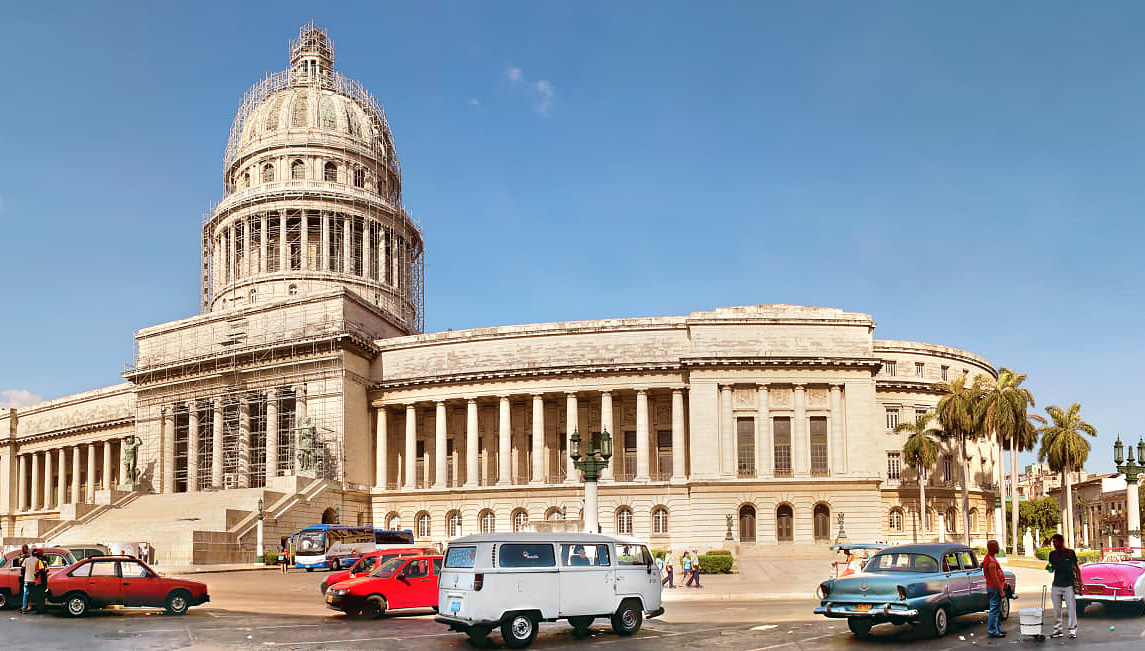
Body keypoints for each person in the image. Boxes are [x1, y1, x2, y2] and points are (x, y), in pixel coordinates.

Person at [1046, 533, 1079, 639]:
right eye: (1053, 542)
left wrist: (1080, 580)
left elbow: (1076, 567)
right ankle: (1057, 630)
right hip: (1056, 585)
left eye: (1056, 542)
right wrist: (1049, 568)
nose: (1054, 544)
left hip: (1069, 584)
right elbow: (1051, 568)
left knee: (1071, 608)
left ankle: (1072, 630)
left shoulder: (1070, 553)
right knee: (1056, 610)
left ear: (1061, 542)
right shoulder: (1052, 554)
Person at [983, 539, 1006, 638]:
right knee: (994, 610)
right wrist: (1000, 590)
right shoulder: (991, 561)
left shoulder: (990, 558)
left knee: (996, 610)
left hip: (994, 588)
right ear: (992, 548)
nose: (998, 548)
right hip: (994, 588)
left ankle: (997, 629)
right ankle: (993, 631)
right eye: (996, 546)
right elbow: (994, 577)